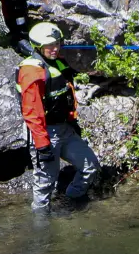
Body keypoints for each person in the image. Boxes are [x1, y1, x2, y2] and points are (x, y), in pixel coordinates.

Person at [18, 22, 99, 210]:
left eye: (57, 43)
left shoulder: (58, 63)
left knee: (90, 166)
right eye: (49, 45)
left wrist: (72, 122)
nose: (55, 48)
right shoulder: (32, 72)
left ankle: (71, 204)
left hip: (64, 129)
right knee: (45, 182)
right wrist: (42, 145)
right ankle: (42, 223)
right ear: (38, 47)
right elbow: (32, 113)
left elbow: (67, 96)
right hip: (44, 133)